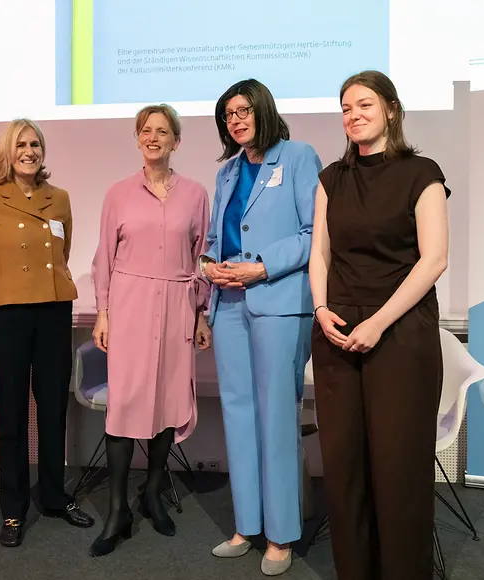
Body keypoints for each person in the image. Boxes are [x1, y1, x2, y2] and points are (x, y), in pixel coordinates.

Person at [309, 70, 449, 580]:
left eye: (364, 104)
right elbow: (319, 255)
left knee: (397, 470)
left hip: (401, 335)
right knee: (344, 469)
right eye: (345, 108)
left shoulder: (422, 173)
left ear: (391, 108)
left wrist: (378, 322)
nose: (353, 115)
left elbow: (433, 260)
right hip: (335, 334)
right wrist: (321, 311)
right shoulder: (331, 178)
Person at [200, 79, 321, 576]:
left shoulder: (297, 156)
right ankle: (246, 525)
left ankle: (281, 535)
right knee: (239, 416)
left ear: (263, 111)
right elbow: (214, 237)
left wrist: (262, 266)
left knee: (275, 418)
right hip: (228, 305)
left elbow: (314, 234)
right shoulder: (227, 173)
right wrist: (209, 265)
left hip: (276, 304)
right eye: (228, 113)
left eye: (244, 110)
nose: (236, 119)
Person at [0, 118, 95, 547]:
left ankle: (55, 496)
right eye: (21, 144)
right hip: (6, 315)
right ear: (7, 151)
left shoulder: (60, 198)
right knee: (14, 412)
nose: (29, 150)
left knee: (54, 406)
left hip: (53, 310)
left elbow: (64, 250)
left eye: (35, 143)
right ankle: (13, 509)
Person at [89, 104, 212, 557]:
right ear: (138, 139)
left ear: (176, 141)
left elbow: (203, 258)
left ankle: (153, 493)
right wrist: (103, 313)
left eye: (163, 131)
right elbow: (104, 257)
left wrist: (201, 313)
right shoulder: (118, 193)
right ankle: (117, 509)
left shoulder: (196, 194)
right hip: (130, 307)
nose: (153, 137)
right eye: (146, 130)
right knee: (124, 406)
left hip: (178, 307)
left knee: (167, 402)